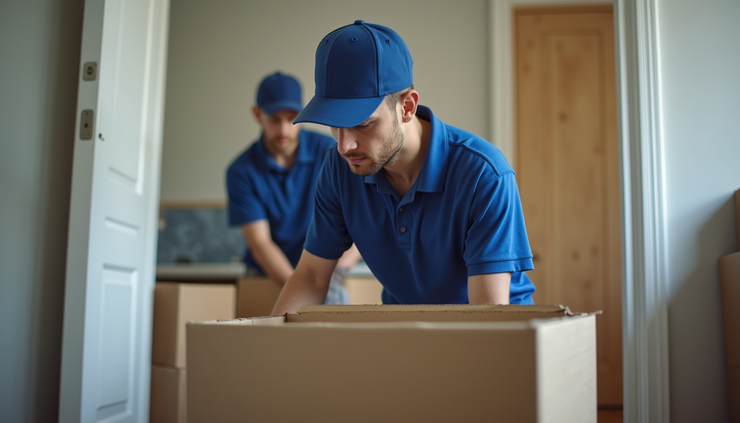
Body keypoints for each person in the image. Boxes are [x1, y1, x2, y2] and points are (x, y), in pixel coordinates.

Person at [271, 21, 536, 315]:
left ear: (407, 107)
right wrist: (269, 346)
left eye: (362, 124)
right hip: (405, 328)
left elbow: (488, 314)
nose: (344, 146)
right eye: (334, 125)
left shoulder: (483, 175)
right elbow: (312, 276)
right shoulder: (338, 168)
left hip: (494, 334)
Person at [226, 71, 361, 304]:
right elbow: (260, 244)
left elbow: (363, 218)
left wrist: (337, 271)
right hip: (268, 275)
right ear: (257, 114)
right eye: (274, 119)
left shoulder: (331, 152)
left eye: (291, 118)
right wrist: (301, 289)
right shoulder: (241, 171)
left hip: (329, 271)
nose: (283, 130)